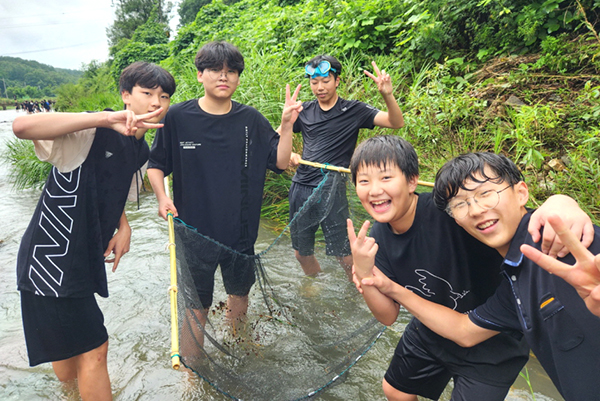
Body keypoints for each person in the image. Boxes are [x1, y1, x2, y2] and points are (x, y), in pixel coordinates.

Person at [346, 136, 594, 401]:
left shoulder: (451, 210)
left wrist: (562, 201)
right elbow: (387, 316)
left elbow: (521, 218)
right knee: (395, 391)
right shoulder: (379, 238)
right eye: (364, 181)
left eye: (385, 178)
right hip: (431, 331)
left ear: (412, 181)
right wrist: (364, 273)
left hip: (494, 342)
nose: (374, 190)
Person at [13, 61, 176, 401]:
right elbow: (21, 126)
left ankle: (71, 394)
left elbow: (111, 187)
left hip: (76, 260)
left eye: (163, 96)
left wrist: (124, 225)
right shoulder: (90, 132)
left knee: (69, 355)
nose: (155, 103)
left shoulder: (139, 149)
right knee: (96, 348)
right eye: (146, 93)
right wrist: (103, 118)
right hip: (51, 262)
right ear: (125, 96)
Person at [147, 41, 302, 328]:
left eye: (231, 71)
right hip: (193, 232)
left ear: (238, 78)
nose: (223, 76)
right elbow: (156, 165)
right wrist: (161, 198)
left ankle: (237, 349)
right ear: (199, 74)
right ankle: (192, 374)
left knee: (239, 296)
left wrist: (287, 124)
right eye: (215, 69)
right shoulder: (178, 117)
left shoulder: (251, 119)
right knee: (196, 308)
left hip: (240, 231)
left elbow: (279, 162)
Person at [288, 55, 404, 277]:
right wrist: (290, 152)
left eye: (325, 81)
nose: (319, 88)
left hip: (333, 188)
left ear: (337, 81)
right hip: (301, 187)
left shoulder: (354, 110)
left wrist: (387, 95)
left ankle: (361, 290)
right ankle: (316, 285)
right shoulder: (304, 111)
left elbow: (395, 122)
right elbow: (277, 140)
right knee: (301, 254)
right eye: (314, 83)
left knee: (345, 254)